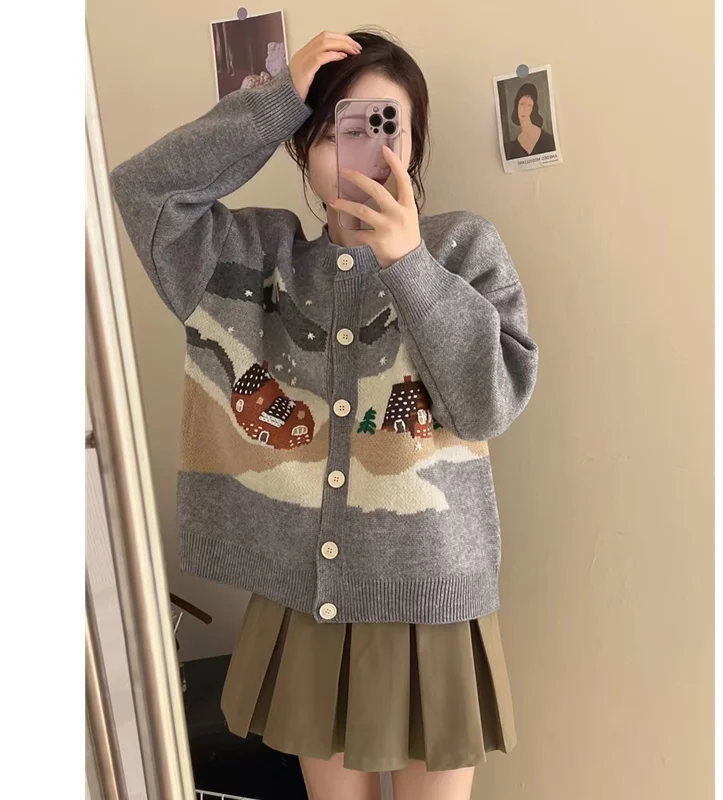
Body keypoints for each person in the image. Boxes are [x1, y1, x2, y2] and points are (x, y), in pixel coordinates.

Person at [110, 28, 539, 800]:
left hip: (435, 603)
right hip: (306, 603)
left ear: (414, 144)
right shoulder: (253, 261)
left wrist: (408, 263)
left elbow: (488, 404)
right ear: (304, 145)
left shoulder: (463, 249)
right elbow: (146, 193)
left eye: (387, 125)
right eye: (339, 126)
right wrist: (276, 101)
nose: (363, 147)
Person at [504, 81, 556, 160]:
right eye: (522, 104)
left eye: (529, 105)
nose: (525, 109)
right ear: (516, 106)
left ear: (533, 109)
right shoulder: (513, 147)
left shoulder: (548, 139)